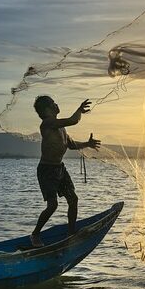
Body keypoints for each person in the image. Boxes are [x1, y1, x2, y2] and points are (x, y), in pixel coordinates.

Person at [30, 95, 101, 247]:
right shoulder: (47, 124)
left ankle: (71, 233)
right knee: (52, 205)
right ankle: (35, 235)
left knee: (73, 199)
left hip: (59, 168)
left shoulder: (61, 127)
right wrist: (80, 110)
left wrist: (87, 144)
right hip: (47, 170)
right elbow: (73, 120)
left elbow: (71, 145)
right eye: (53, 103)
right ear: (47, 109)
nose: (57, 105)